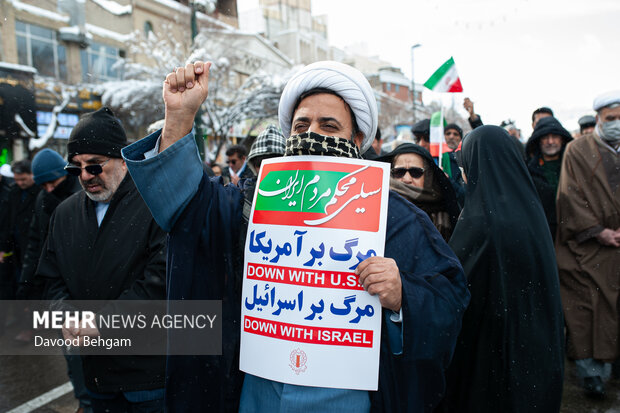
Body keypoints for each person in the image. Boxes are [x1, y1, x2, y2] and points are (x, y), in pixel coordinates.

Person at [122, 60, 469, 412]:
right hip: (255, 397)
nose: (311, 134)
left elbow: (449, 299)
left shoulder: (398, 217)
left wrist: (403, 294)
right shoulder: (248, 202)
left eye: (328, 126)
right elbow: (185, 208)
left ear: (358, 139)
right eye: (301, 125)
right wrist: (179, 119)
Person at [36, 107, 167, 412]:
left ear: (122, 159)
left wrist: (104, 322)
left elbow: (161, 283)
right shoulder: (65, 214)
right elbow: (50, 278)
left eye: (94, 166)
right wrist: (65, 316)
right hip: (94, 375)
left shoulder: (154, 204)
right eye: (76, 168)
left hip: (147, 378)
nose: (84, 176)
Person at [438, 125, 565, 413]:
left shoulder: (481, 221)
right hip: (534, 351)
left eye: (465, 165)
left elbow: (454, 289)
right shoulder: (528, 210)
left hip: (490, 358)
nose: (463, 174)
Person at [555, 90, 620, 397]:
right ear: (598, 119)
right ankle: (591, 377)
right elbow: (570, 197)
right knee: (584, 313)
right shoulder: (577, 150)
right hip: (584, 249)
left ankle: (609, 370)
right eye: (611, 119)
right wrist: (598, 231)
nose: (617, 124)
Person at [17, 149, 82, 300]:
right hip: (50, 277)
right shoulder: (43, 199)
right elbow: (35, 241)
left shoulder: (81, 195)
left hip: (75, 277)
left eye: (53, 183)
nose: (50, 189)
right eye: (44, 186)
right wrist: (26, 281)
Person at [378, 143, 459, 241]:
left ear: (428, 176)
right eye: (399, 172)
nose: (407, 179)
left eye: (415, 172)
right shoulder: (380, 208)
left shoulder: (445, 212)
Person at [525, 117, 572, 239]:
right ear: (538, 141)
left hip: (573, 231)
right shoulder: (529, 171)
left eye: (554, 136)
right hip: (545, 234)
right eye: (545, 137)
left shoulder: (573, 165)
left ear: (562, 139)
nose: (550, 141)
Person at [0, 160, 38, 299]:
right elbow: (8, 220)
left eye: (23, 179)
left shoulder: (40, 191)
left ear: (31, 175)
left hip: (31, 244)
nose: (20, 183)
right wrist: (4, 247)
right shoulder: (14, 192)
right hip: (16, 246)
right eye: (17, 180)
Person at [440, 123, 466, 206]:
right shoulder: (437, 158)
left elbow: (464, 194)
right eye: (448, 133)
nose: (451, 137)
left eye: (455, 134)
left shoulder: (464, 161)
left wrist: (448, 180)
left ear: (460, 139)